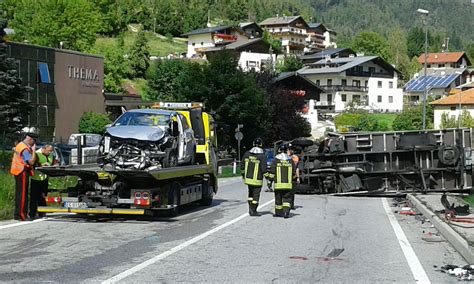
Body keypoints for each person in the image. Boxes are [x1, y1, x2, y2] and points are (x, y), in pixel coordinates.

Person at [10, 133, 37, 221]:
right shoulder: (24, 148)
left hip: (18, 171)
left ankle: (19, 214)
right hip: (22, 171)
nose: (34, 143)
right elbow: (31, 162)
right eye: (34, 141)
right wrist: (33, 151)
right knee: (22, 195)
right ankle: (21, 215)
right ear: (30, 139)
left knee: (20, 194)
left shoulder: (20, 145)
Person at [30, 144, 58, 219]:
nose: (50, 152)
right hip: (36, 178)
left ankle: (42, 212)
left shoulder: (51, 155)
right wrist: (42, 165)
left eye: (51, 151)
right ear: (44, 149)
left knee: (43, 196)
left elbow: (55, 162)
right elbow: (32, 164)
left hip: (45, 178)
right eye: (49, 151)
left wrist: (55, 165)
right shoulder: (37, 154)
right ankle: (32, 213)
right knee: (34, 197)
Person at [241, 138, 267, 216]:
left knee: (250, 194)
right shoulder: (262, 156)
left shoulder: (247, 154)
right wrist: (268, 178)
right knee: (256, 195)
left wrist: (243, 175)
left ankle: (250, 208)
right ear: (261, 145)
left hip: (248, 179)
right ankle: (253, 210)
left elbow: (242, 166)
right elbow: (263, 169)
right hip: (257, 180)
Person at [268, 144, 295, 218]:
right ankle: (286, 212)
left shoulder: (276, 160)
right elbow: (293, 172)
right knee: (287, 199)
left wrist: (269, 181)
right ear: (286, 150)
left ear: (279, 150)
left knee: (278, 199)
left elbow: (272, 172)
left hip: (278, 185)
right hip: (288, 185)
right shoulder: (290, 160)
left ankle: (278, 213)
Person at [287, 145, 301, 210]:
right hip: (287, 176)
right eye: (289, 149)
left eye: (290, 150)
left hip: (292, 177)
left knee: (291, 192)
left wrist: (298, 177)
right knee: (288, 192)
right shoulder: (285, 157)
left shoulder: (295, 158)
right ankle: (288, 205)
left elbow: (297, 168)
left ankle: (291, 205)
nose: (289, 151)